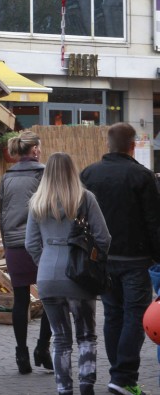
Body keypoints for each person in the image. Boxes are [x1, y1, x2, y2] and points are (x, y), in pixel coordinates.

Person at [80, 122, 160, 395]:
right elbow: (154, 222)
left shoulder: (89, 174)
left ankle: (119, 374)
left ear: (108, 144)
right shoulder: (142, 176)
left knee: (113, 315)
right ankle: (123, 377)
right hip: (136, 258)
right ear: (132, 146)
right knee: (135, 316)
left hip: (102, 258)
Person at [26, 152, 111, 395]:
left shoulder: (37, 202)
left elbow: (30, 243)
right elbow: (103, 238)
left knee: (60, 338)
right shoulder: (85, 198)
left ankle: (64, 388)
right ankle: (86, 385)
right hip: (80, 276)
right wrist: (94, 260)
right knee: (86, 335)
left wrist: (44, 262)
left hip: (48, 277)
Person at [0, 129, 53, 374]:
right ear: (35, 150)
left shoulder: (6, 177)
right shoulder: (44, 174)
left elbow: (3, 213)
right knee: (51, 297)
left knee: (20, 299)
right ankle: (43, 348)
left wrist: (6, 242)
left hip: (14, 243)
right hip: (41, 244)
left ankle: (21, 353)